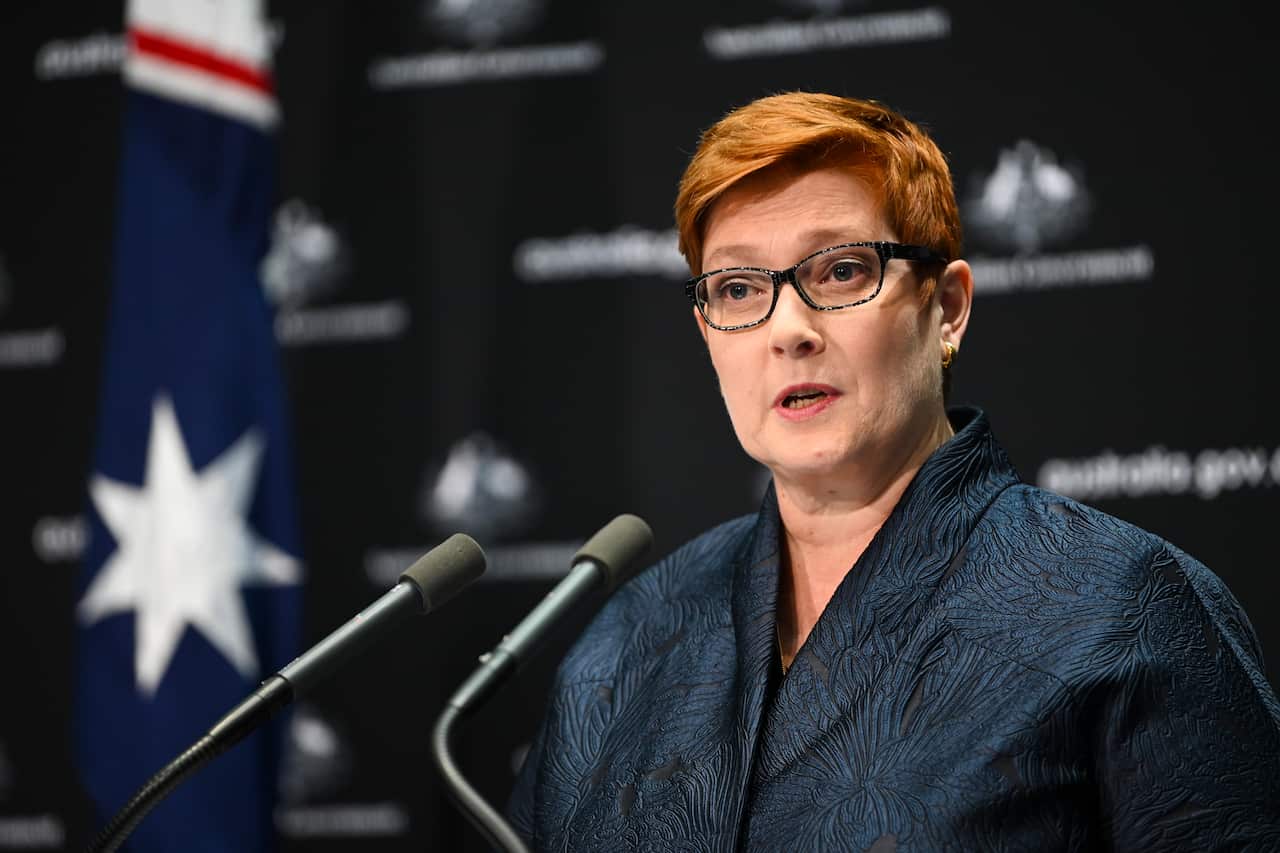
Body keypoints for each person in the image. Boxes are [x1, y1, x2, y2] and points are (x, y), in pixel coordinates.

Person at [506, 92, 1280, 851]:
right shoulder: (629, 640)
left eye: (841, 271)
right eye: (738, 288)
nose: (789, 330)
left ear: (946, 308)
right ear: (707, 329)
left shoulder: (1123, 607)